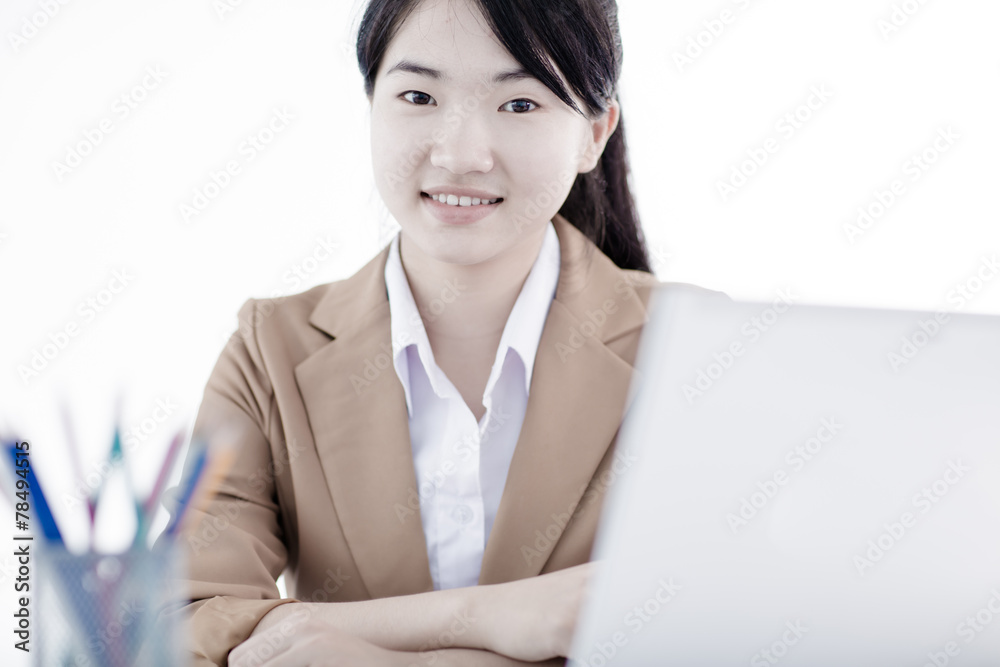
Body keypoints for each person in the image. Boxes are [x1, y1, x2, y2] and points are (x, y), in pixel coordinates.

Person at [157, 0, 722, 664]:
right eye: (419, 95)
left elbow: (729, 625)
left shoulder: (698, 346)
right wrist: (491, 616)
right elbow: (181, 619)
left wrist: (370, 652)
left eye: (519, 104)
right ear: (371, 106)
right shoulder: (271, 349)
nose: (460, 154)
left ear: (594, 133)